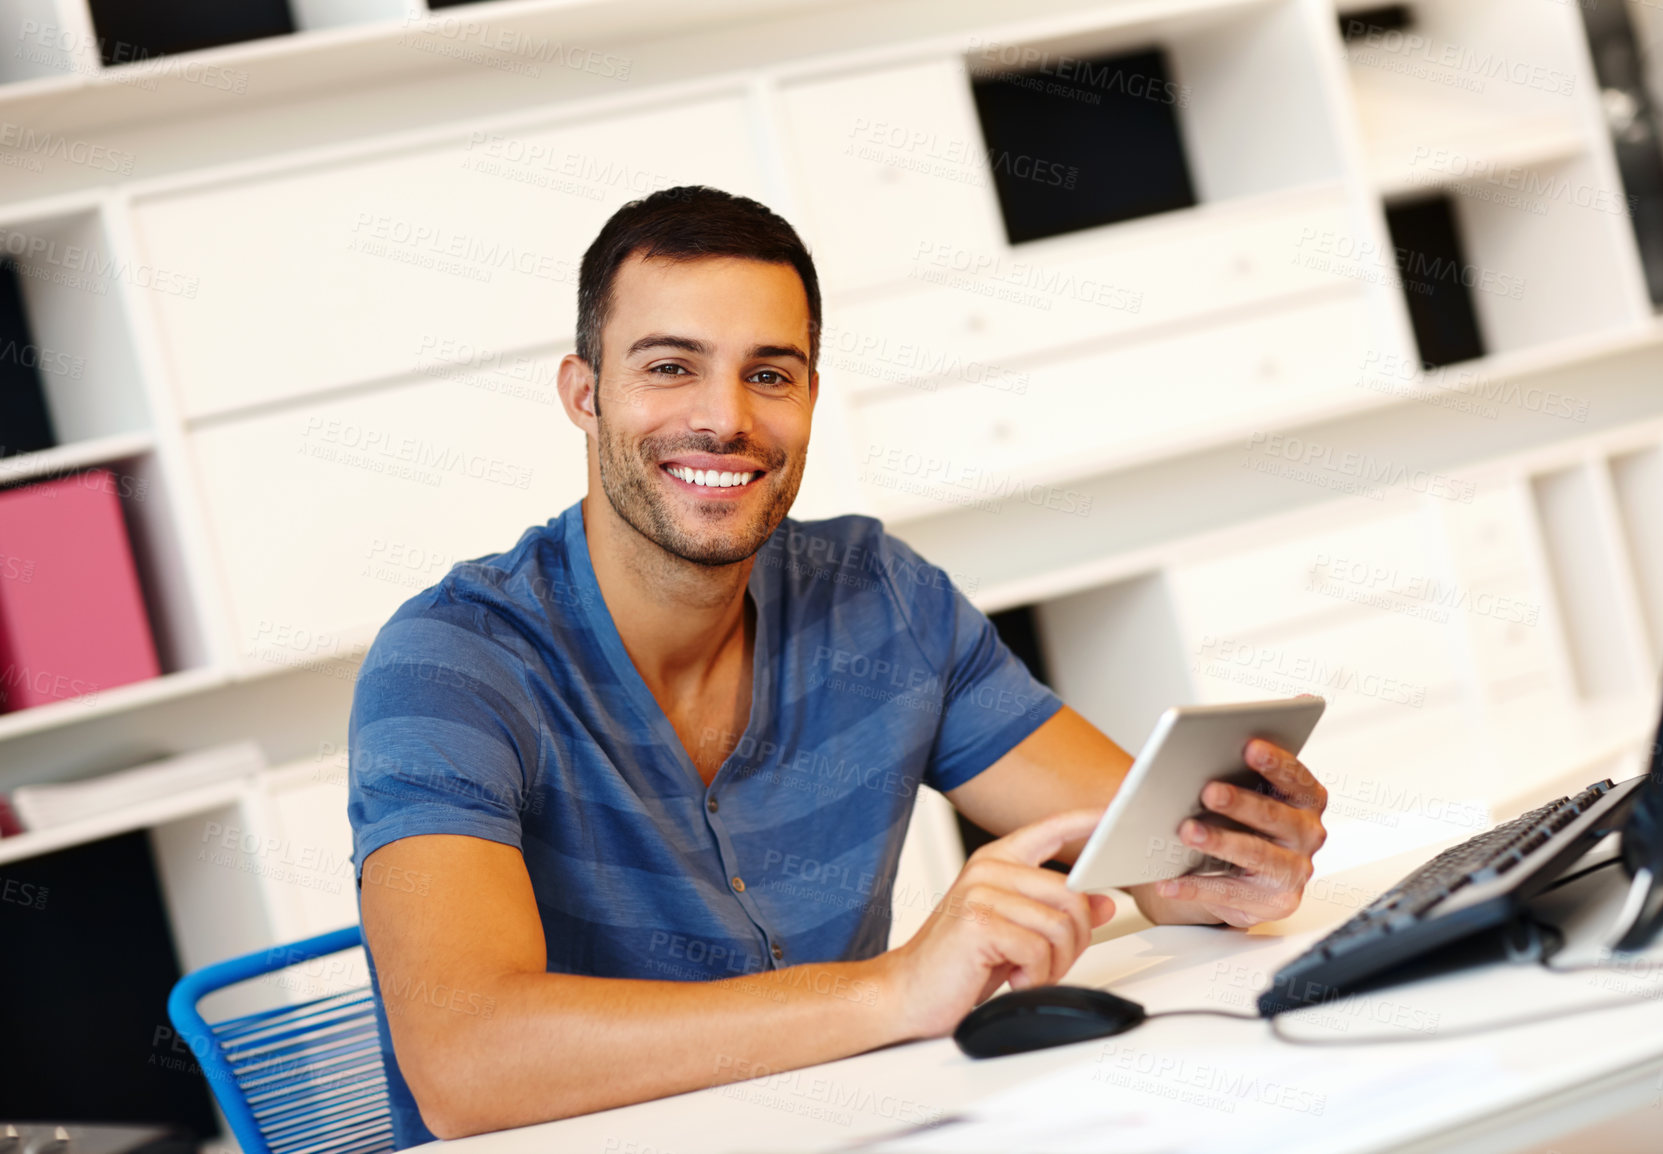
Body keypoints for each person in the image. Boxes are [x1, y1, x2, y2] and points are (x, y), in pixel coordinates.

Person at [347, 185, 1329, 1142]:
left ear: (811, 396)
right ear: (584, 392)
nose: (724, 418)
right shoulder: (452, 663)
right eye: (670, 367)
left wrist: (1231, 862)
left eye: (769, 374)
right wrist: (900, 986)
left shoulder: (880, 598)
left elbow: (1153, 853)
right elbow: (466, 1062)